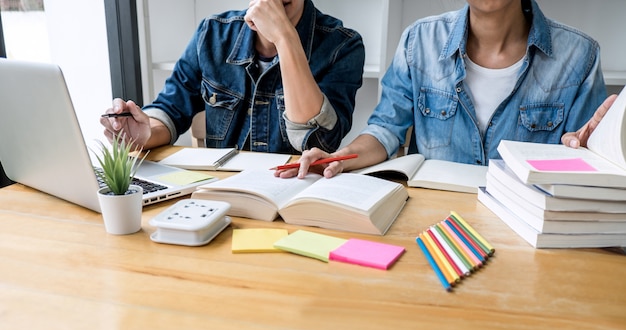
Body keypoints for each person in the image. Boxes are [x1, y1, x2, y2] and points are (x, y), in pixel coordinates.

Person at [276, 0, 609, 179]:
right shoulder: (418, 41)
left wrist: (606, 142)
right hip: (436, 219)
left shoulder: (579, 55)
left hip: (525, 223)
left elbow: (583, 160)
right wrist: (341, 158)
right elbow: (386, 130)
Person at [101, 0, 365, 155]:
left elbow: (320, 141)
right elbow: (170, 109)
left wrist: (285, 38)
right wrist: (145, 133)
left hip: (295, 200)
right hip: (222, 195)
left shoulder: (342, 46)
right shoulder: (212, 33)